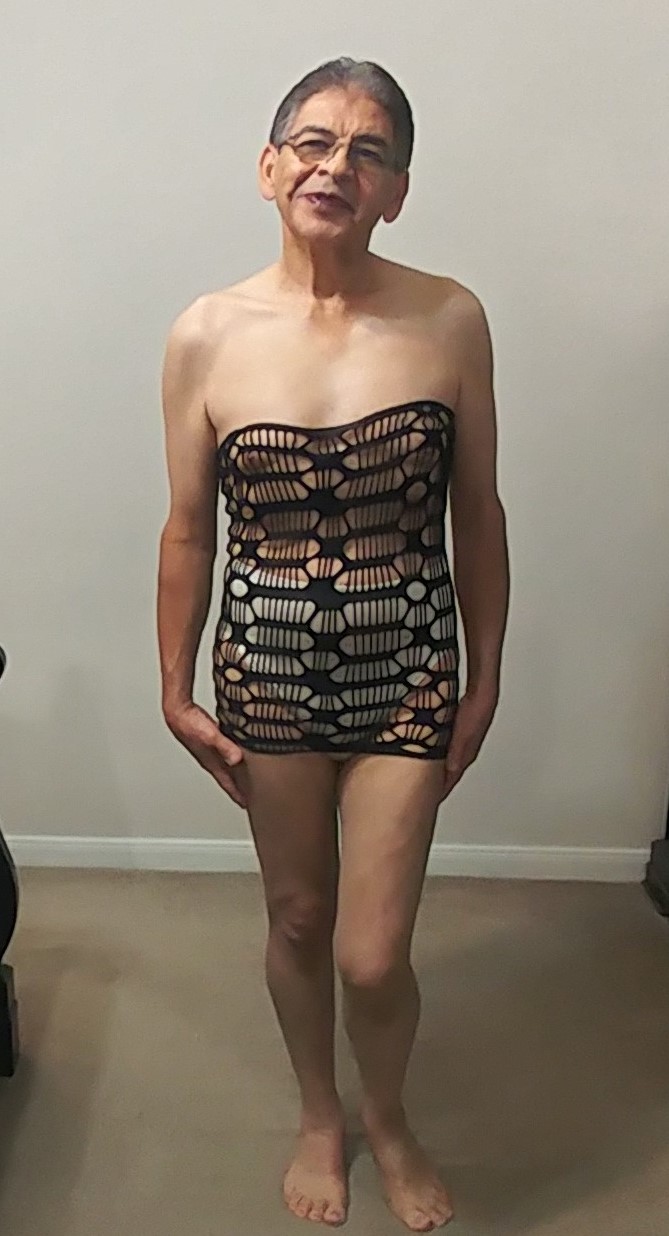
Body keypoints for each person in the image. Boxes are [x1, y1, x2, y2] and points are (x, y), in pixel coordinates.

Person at [157, 56, 509, 1232]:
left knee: (371, 953)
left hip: (410, 667)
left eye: (369, 151)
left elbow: (478, 515)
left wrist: (483, 678)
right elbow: (188, 528)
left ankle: (389, 1117)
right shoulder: (206, 332)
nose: (336, 166)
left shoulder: (450, 318)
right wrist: (173, 685)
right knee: (300, 919)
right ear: (270, 168)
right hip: (263, 676)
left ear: (396, 191)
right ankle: (323, 1113)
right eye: (313, 142)